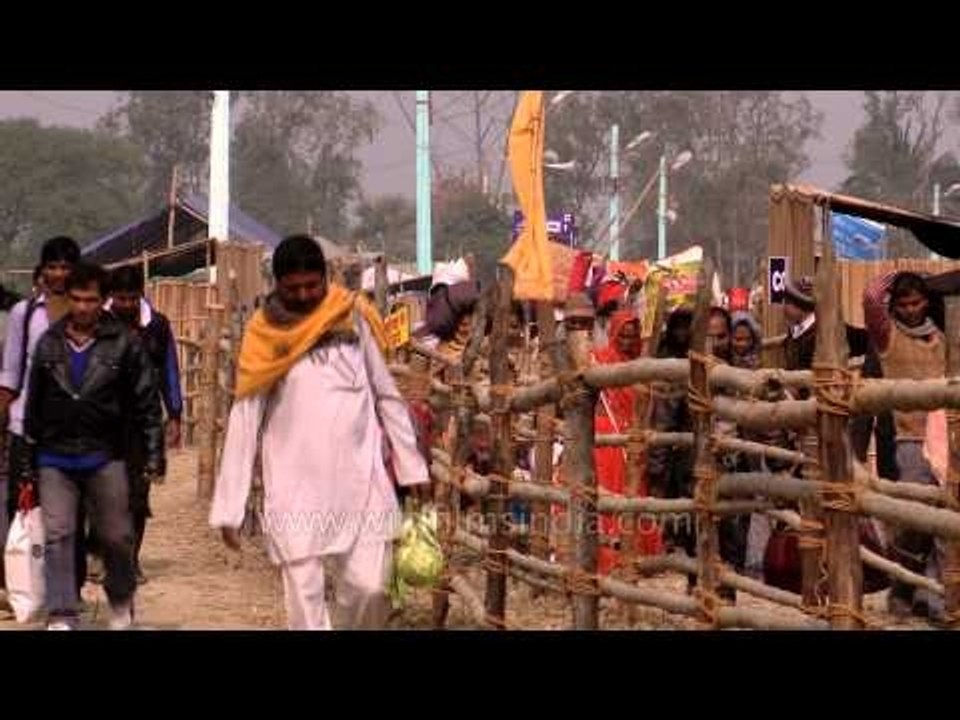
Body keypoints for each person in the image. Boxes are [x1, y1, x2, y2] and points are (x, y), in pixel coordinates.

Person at [210, 235, 429, 630]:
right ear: (276, 285)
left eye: (313, 286)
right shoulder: (264, 336)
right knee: (304, 602)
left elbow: (386, 395)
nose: (305, 295)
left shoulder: (351, 316)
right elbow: (245, 420)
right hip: (294, 488)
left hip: (361, 482)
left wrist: (412, 469)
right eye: (294, 289)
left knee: (371, 590)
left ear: (326, 278)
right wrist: (230, 505)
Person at [24, 262, 163, 630]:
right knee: (59, 534)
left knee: (117, 536)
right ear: (68, 299)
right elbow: (33, 405)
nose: (84, 307)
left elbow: (147, 400)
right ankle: (62, 611)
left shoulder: (124, 343)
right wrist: (28, 459)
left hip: (107, 454)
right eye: (77, 299)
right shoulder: (49, 343)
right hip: (55, 456)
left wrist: (153, 452)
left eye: (92, 300)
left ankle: (120, 600)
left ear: (103, 301)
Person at [0, 237, 84, 606]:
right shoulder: (25, 313)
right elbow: (11, 369)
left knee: (71, 511)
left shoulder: (90, 311)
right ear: (43, 270)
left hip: (75, 429)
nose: (58, 274)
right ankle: (19, 587)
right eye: (52, 266)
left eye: (66, 267)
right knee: (20, 506)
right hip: (26, 425)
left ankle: (69, 588)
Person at [864, 271, 946, 622]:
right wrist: (893, 278)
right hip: (910, 440)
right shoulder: (889, 338)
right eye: (904, 304)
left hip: (947, 442)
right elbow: (870, 299)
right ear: (895, 307)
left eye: (918, 302)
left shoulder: (944, 337)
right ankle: (904, 590)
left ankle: (938, 600)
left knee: (944, 524)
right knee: (915, 522)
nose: (912, 309)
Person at [104, 266, 183, 584]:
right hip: (104, 422)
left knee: (138, 495)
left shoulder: (158, 326)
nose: (125, 304)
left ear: (141, 295)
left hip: (144, 424)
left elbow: (169, 371)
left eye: (131, 298)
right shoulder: (98, 322)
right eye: (119, 298)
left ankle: (130, 559)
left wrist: (175, 413)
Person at [592, 309, 662, 575]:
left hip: (632, 443)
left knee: (631, 496)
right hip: (605, 443)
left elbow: (647, 409)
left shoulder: (642, 369)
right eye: (622, 335)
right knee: (606, 500)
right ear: (613, 334)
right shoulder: (598, 361)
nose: (627, 342)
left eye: (633, 337)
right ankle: (607, 558)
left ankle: (634, 556)